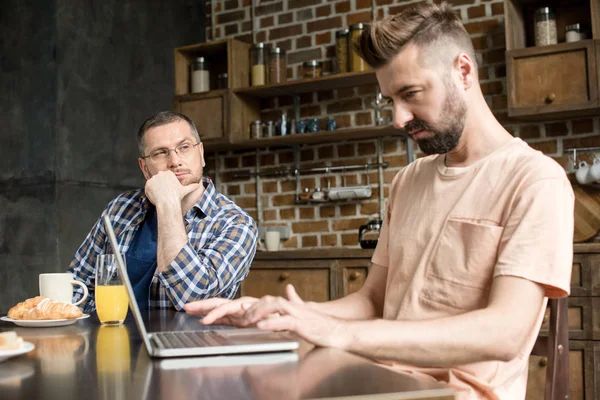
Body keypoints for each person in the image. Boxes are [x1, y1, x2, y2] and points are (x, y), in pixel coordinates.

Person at [184, 3, 574, 399]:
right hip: (381, 381)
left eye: (410, 94)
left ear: (463, 71)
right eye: (391, 99)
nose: (399, 117)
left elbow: (505, 333)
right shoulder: (409, 180)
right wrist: (285, 316)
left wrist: (338, 333)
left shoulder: (535, 180)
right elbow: (372, 301)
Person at [69, 111, 257, 311]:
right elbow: (77, 285)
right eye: (160, 153)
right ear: (145, 168)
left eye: (184, 147)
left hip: (187, 341)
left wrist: (168, 203)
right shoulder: (120, 209)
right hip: (113, 338)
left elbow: (192, 300)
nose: (175, 161)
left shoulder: (236, 224)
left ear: (200, 154)